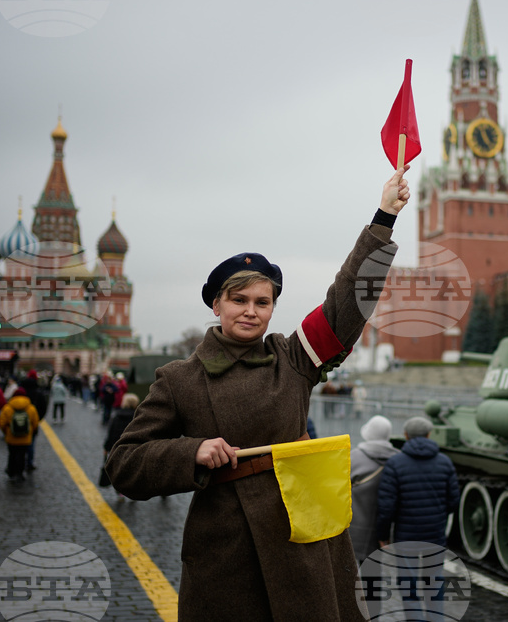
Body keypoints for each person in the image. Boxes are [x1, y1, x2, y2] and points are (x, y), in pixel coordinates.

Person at [106, 165, 410, 621]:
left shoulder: (295, 358)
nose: (251, 312)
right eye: (239, 300)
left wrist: (383, 217)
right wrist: (191, 453)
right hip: (226, 556)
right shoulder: (180, 378)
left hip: (305, 545)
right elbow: (123, 464)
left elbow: (346, 301)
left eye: (262, 302)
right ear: (217, 305)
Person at [375, 416, 460, 621]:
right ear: (429, 434)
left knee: (409, 584)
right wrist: (438, 516)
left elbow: (387, 507)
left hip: (406, 536)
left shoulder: (395, 463)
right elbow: (454, 501)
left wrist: (383, 535)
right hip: (435, 534)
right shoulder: (444, 462)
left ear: (405, 436)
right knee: (434, 581)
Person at [349, 415, 399, 563]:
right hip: (382, 530)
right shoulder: (397, 459)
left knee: (350, 577)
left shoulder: (353, 457)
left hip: (354, 529)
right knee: (374, 576)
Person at [0, 389, 40, 482]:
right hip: (25, 438)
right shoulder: (31, 408)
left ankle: (11, 471)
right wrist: (30, 432)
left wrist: (6, 432)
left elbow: (2, 423)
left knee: (12, 454)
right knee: (22, 455)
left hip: (11, 437)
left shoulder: (7, 407)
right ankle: (19, 474)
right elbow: (35, 423)